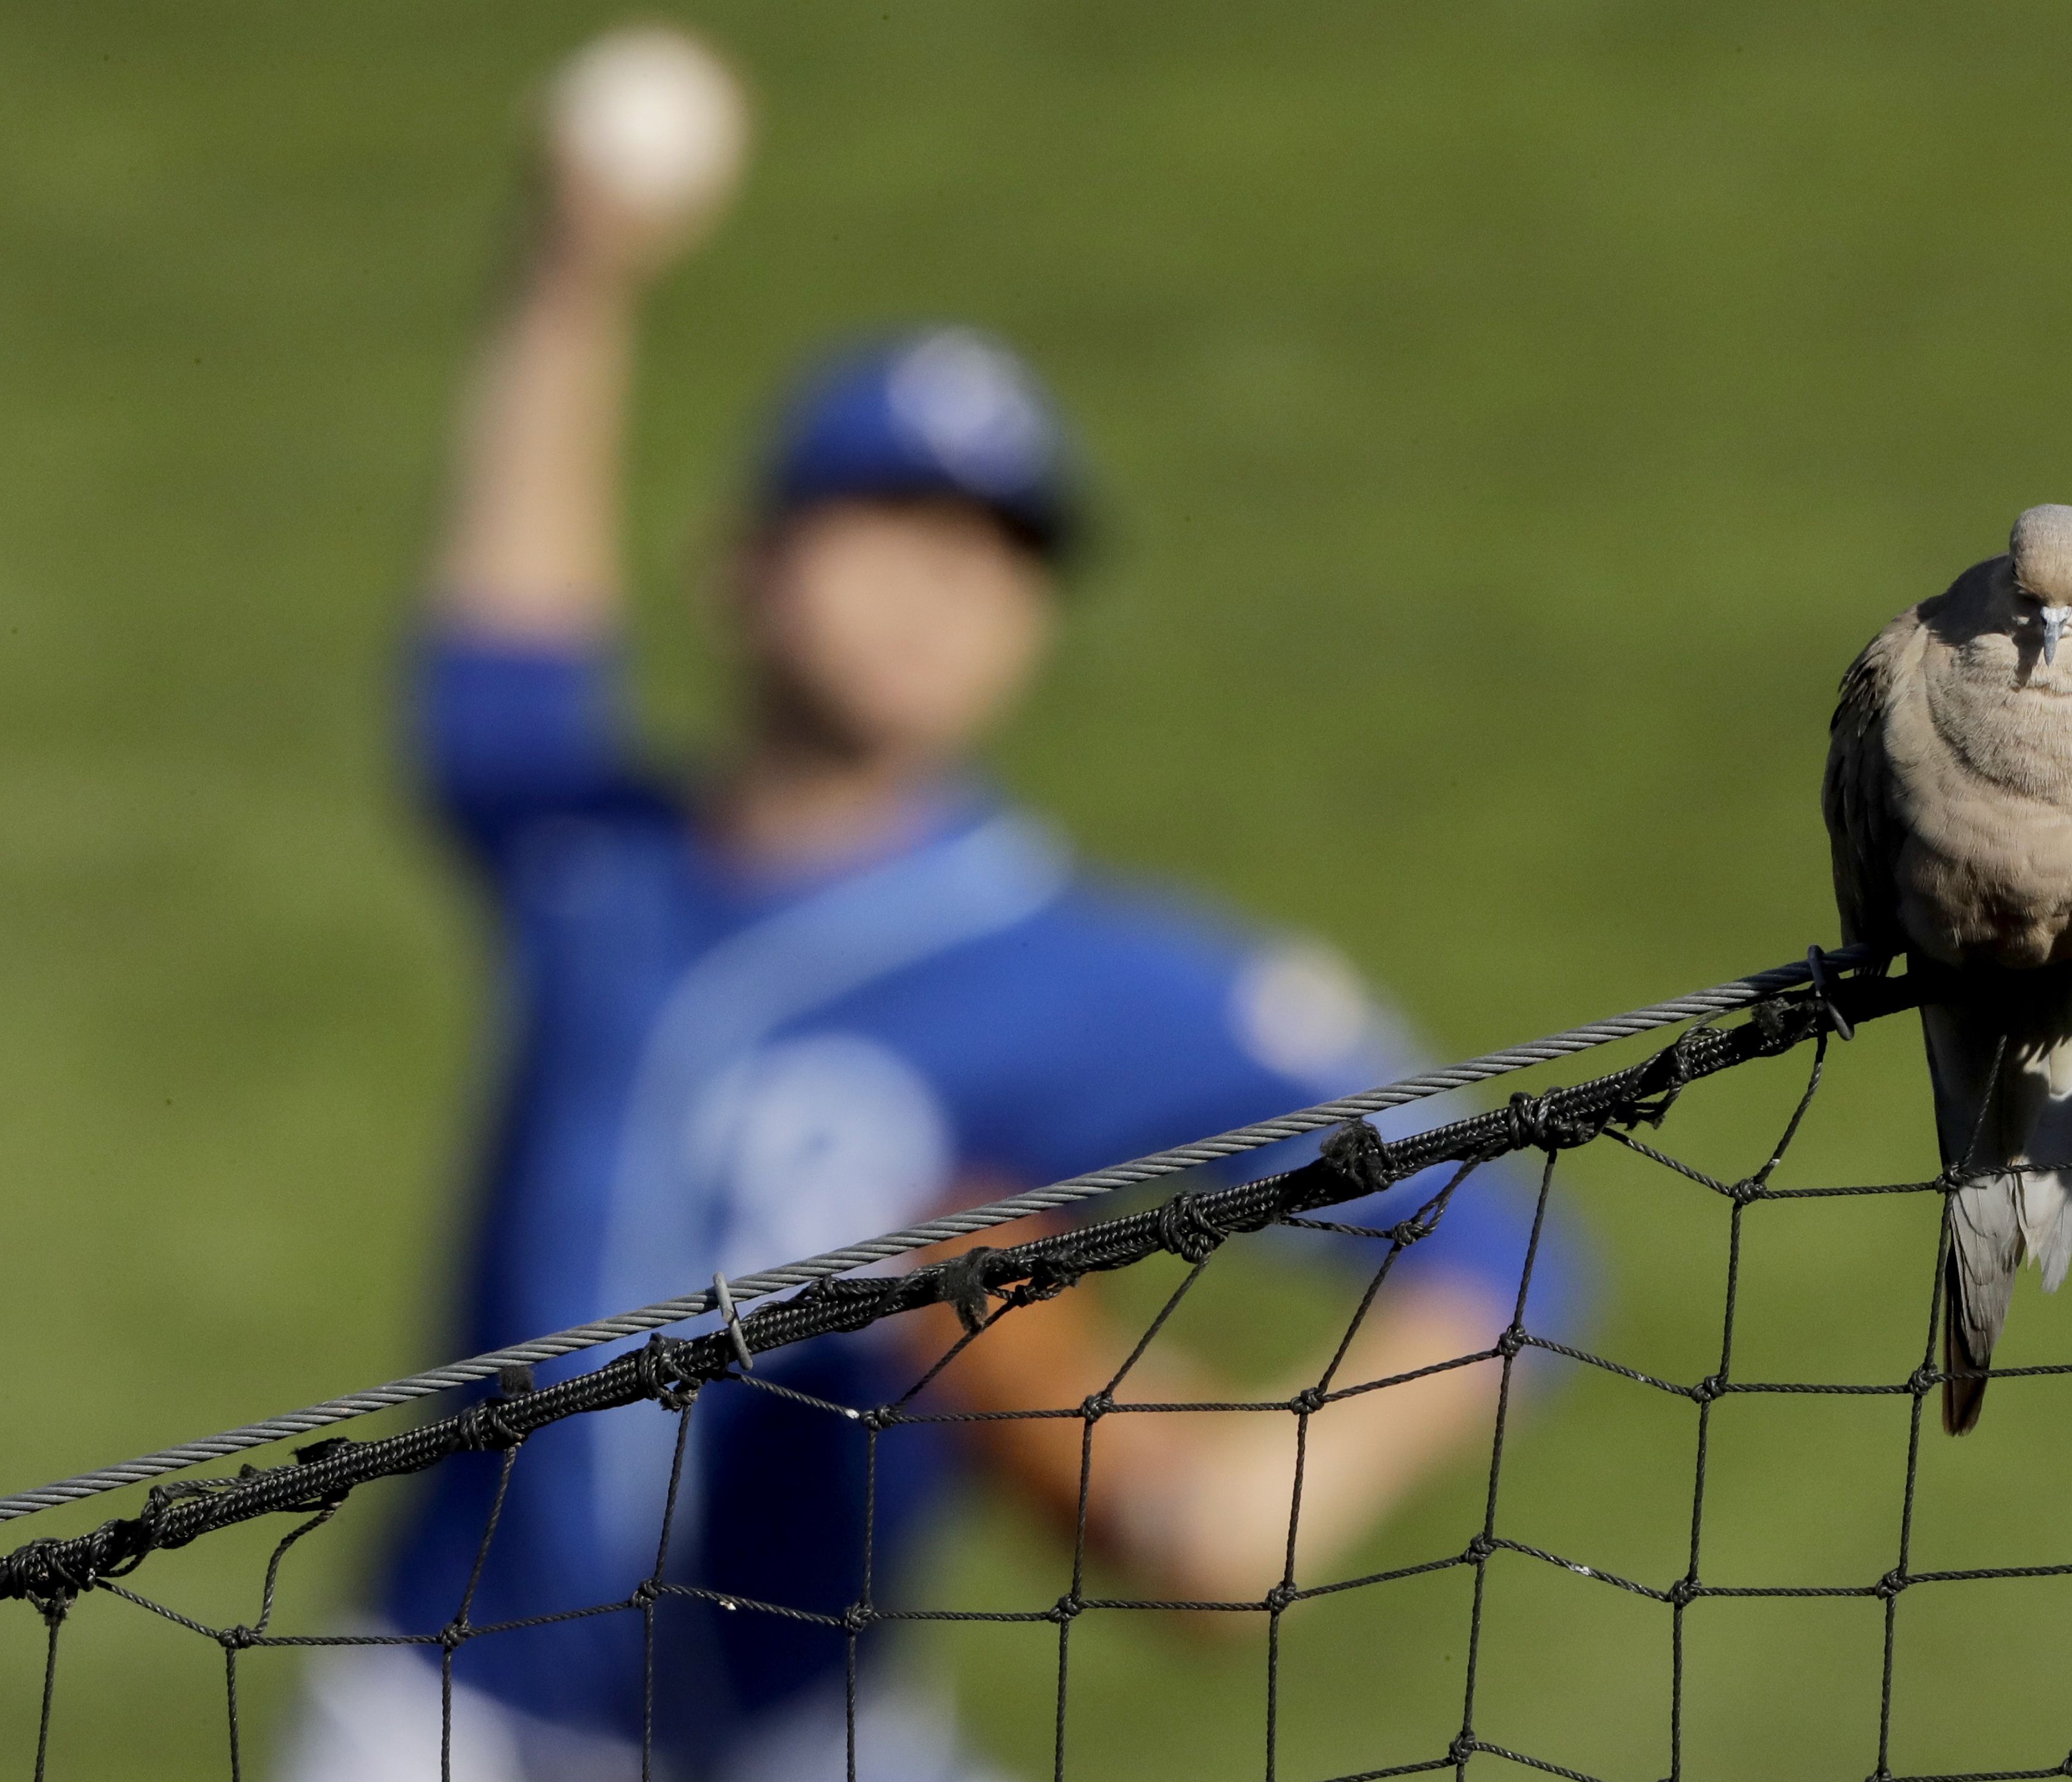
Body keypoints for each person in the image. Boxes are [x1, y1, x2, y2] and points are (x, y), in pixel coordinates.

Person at [284, 28, 1577, 1782]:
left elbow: (1504, 1228)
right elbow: (503, 672)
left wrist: (1302, 1464)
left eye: (998, 549)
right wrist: (574, 272)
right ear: (743, 568)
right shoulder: (599, 864)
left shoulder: (1089, 977)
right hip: (433, 1718)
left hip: (805, 1743)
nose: (940, 584)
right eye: (887, 518)